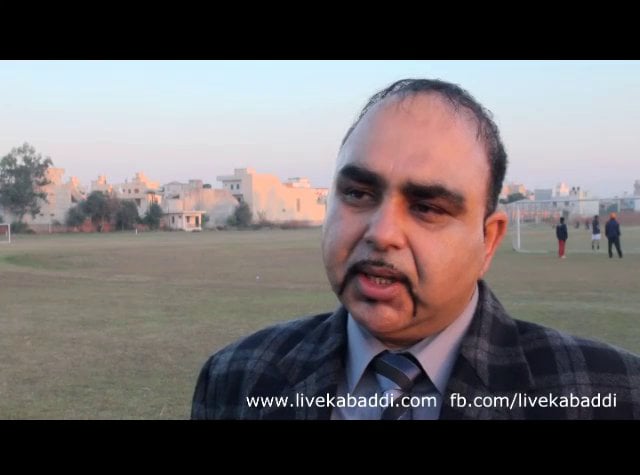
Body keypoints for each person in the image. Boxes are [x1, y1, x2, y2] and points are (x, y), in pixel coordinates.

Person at [192, 78, 640, 420]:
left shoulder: (614, 394)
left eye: (427, 207)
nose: (382, 233)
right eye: (358, 194)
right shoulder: (236, 378)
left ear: (489, 240)